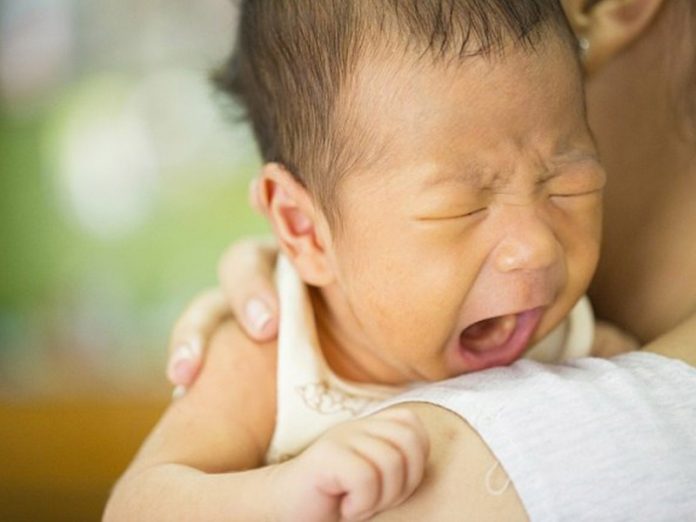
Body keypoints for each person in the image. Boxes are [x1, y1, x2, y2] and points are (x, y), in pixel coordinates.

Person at [104, 1, 643, 520]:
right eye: (462, 208)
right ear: (304, 230)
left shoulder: (576, 340)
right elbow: (136, 505)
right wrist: (283, 494)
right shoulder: (273, 355)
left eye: (569, 185)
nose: (536, 248)